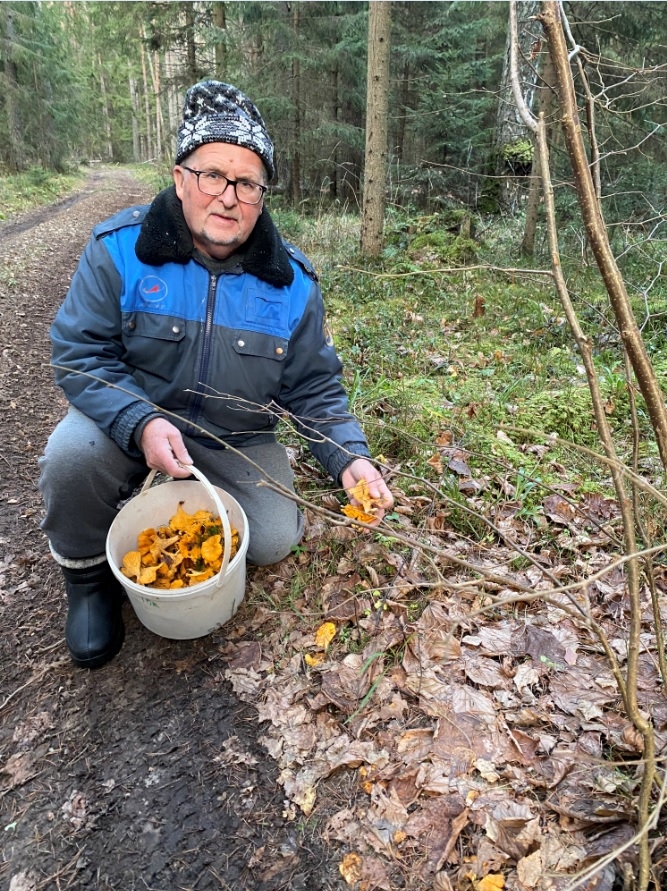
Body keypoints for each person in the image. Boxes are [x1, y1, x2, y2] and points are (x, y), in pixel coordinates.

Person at [38, 80, 394, 670]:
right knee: (70, 459)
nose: (229, 197)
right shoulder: (119, 249)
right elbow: (80, 351)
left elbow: (313, 387)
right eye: (213, 175)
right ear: (180, 179)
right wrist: (141, 421)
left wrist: (350, 459)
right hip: (129, 420)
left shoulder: (293, 284)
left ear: (262, 195)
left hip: (235, 437)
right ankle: (87, 577)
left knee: (276, 538)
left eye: (247, 182)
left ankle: (169, 501)